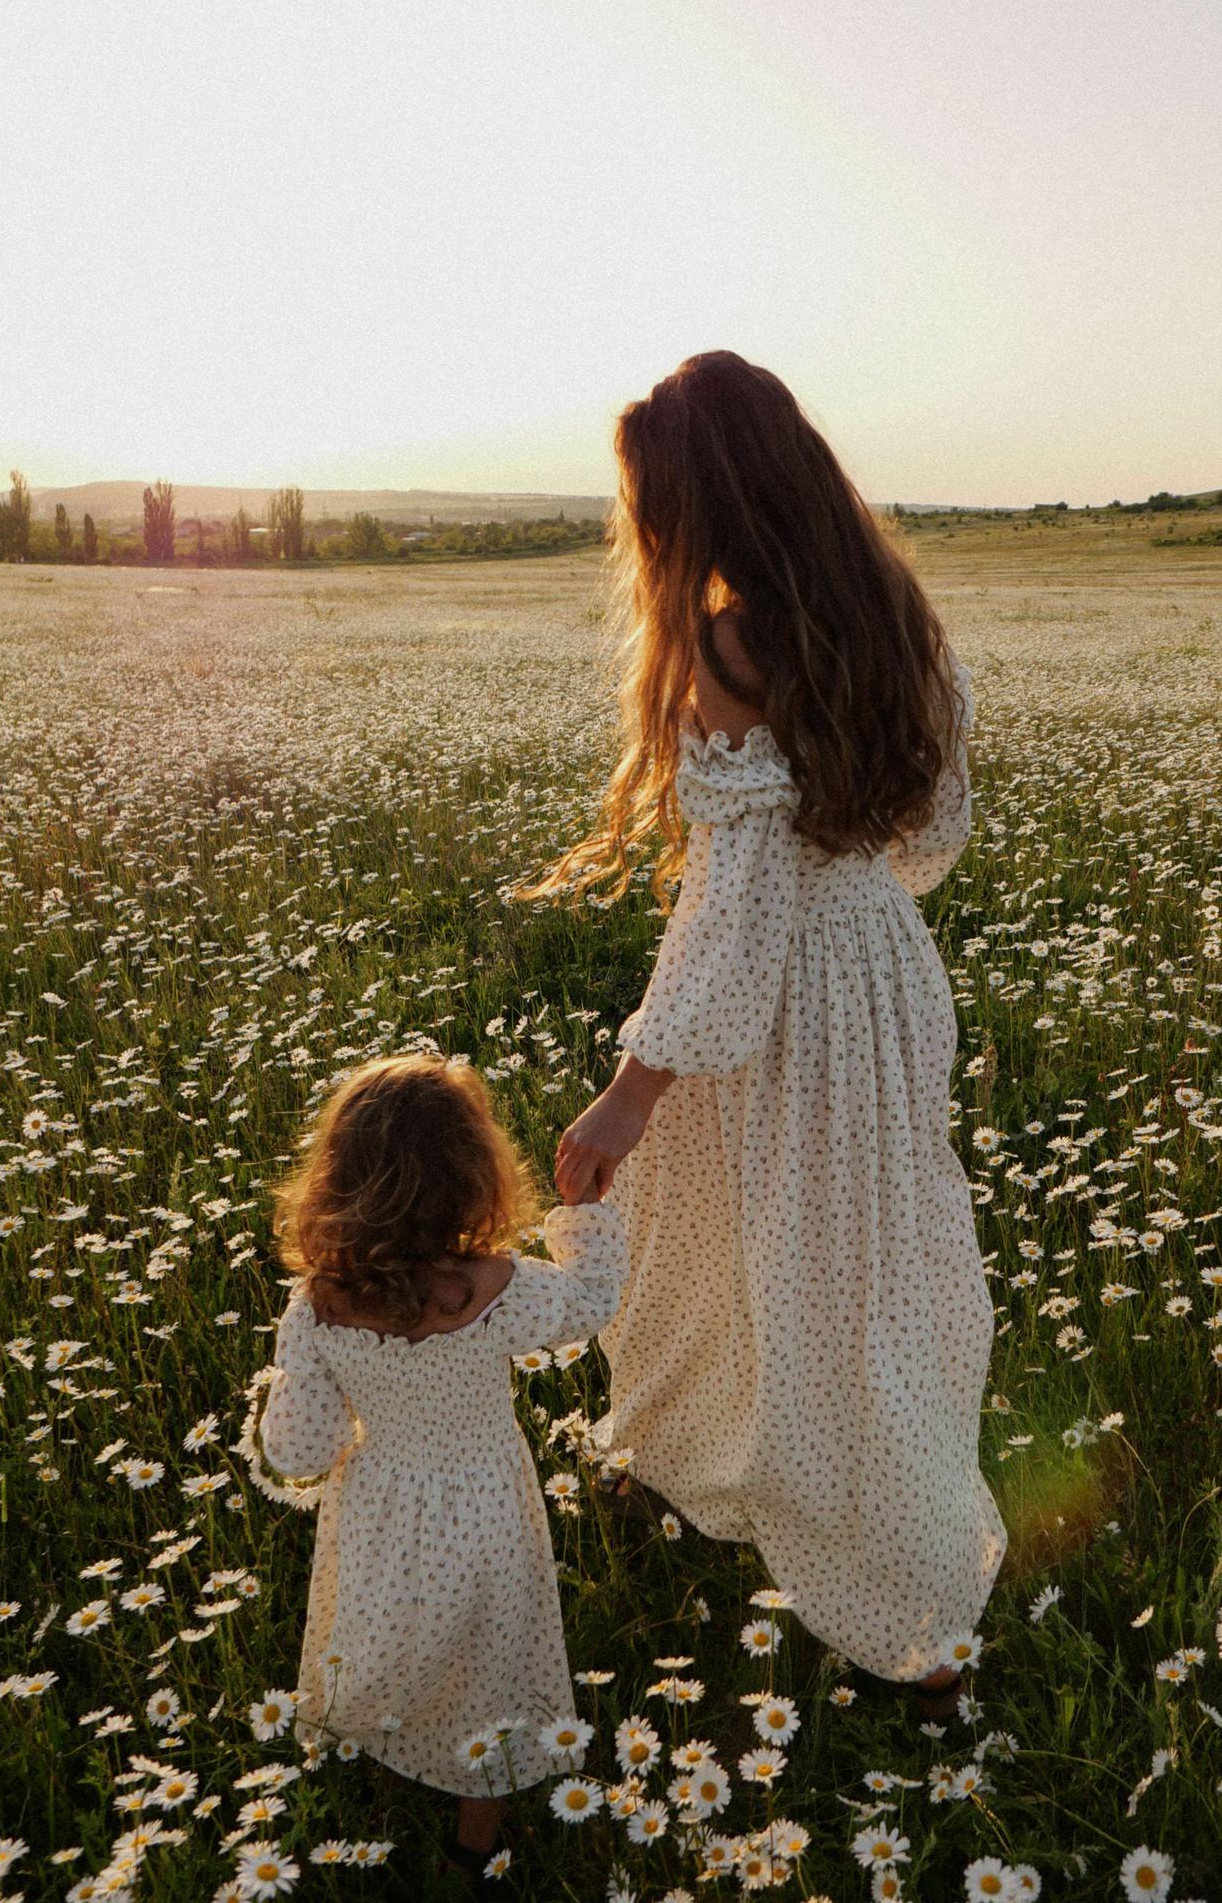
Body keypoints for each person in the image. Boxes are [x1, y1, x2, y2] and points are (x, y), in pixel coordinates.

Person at [526, 349, 1007, 1716]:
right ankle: (739, 1488)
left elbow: (733, 925)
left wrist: (627, 1094)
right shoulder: (891, 607)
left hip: (784, 1010)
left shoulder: (733, 643)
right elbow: (926, 835)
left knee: (730, 1246)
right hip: (883, 976)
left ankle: (878, 1592)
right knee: (866, 1272)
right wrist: (845, 897)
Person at [257, 1052, 627, 1888]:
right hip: (489, 1506)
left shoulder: (317, 1305)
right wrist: (584, 1214)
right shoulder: (493, 1287)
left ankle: (391, 1734)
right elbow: (592, 1300)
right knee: (489, 1661)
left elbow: (300, 1452)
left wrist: (277, 1410)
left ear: (338, 1181)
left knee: (393, 1625)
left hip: (381, 1506)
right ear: (474, 1175)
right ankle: (475, 1838)